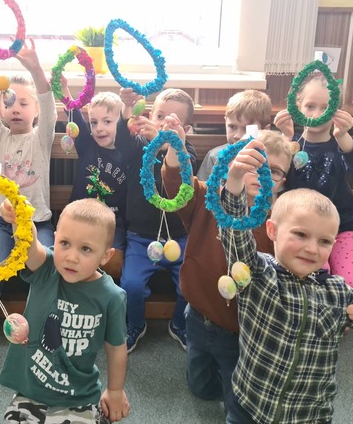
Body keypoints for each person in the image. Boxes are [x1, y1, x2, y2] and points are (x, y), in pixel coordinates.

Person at [220, 140, 353, 424]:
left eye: (324, 241)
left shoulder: (338, 293)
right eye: (301, 234)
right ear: (272, 231)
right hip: (249, 408)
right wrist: (234, 183)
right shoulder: (258, 273)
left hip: (309, 416)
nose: (311, 249)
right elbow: (235, 233)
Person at [161, 128, 291, 411]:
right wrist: (175, 149)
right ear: (234, 163)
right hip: (198, 315)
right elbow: (176, 185)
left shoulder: (279, 225)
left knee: (238, 399)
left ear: (281, 182)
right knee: (200, 386)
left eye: (274, 171)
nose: (261, 175)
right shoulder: (208, 200)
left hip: (242, 329)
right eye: (253, 165)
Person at [0, 197, 130, 424]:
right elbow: (30, 247)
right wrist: (21, 221)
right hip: (31, 391)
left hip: (79, 395)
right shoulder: (47, 269)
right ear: (55, 239)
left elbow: (116, 347)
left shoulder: (112, 297)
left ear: (105, 256)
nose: (71, 257)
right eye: (65, 243)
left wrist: (115, 391)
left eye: (86, 249)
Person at [0, 40, 58, 336]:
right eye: (9, 103)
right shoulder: (0, 136)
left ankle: (41, 310)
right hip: (0, 222)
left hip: (38, 221)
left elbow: (50, 108)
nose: (16, 109)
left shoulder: (41, 138)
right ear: (1, 108)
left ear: (35, 110)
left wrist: (35, 69)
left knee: (45, 271)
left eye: (24, 103)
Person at [115, 87, 197, 353]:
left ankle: (179, 324)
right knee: (131, 286)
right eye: (160, 116)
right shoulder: (139, 145)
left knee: (189, 286)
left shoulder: (187, 152)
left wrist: (169, 145)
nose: (163, 124)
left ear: (186, 129)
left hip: (178, 237)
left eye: (172, 122)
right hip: (140, 237)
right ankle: (135, 324)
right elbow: (122, 142)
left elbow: (181, 174)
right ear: (150, 116)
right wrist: (127, 108)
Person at [274, 72, 353, 288]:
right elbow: (275, 173)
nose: (317, 113)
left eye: (326, 108)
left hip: (342, 229)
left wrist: (343, 135)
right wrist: (285, 137)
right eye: (310, 106)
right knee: (313, 282)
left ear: (337, 110)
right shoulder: (291, 144)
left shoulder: (341, 144)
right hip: (301, 231)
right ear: (297, 107)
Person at [61, 80, 128, 281]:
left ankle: (104, 295)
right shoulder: (87, 145)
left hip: (112, 225)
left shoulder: (129, 152)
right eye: (94, 122)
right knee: (68, 258)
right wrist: (63, 88)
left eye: (107, 121)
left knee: (113, 265)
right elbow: (73, 114)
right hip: (79, 219)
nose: (99, 128)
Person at [197, 90, 272, 182]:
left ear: (265, 130)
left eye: (246, 129)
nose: (238, 136)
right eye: (232, 127)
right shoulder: (214, 157)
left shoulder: (270, 159)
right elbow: (203, 188)